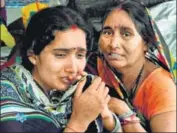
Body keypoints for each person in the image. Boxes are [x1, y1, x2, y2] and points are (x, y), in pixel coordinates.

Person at [0, 6, 121, 132]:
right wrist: (79, 122)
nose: (73, 68)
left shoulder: (82, 88)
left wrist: (107, 117)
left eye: (80, 55)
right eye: (60, 55)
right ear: (33, 56)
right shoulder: (7, 98)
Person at [86, 0, 176, 132]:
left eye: (126, 34)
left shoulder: (161, 88)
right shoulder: (92, 65)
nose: (113, 43)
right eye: (107, 32)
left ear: (146, 43)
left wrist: (124, 113)